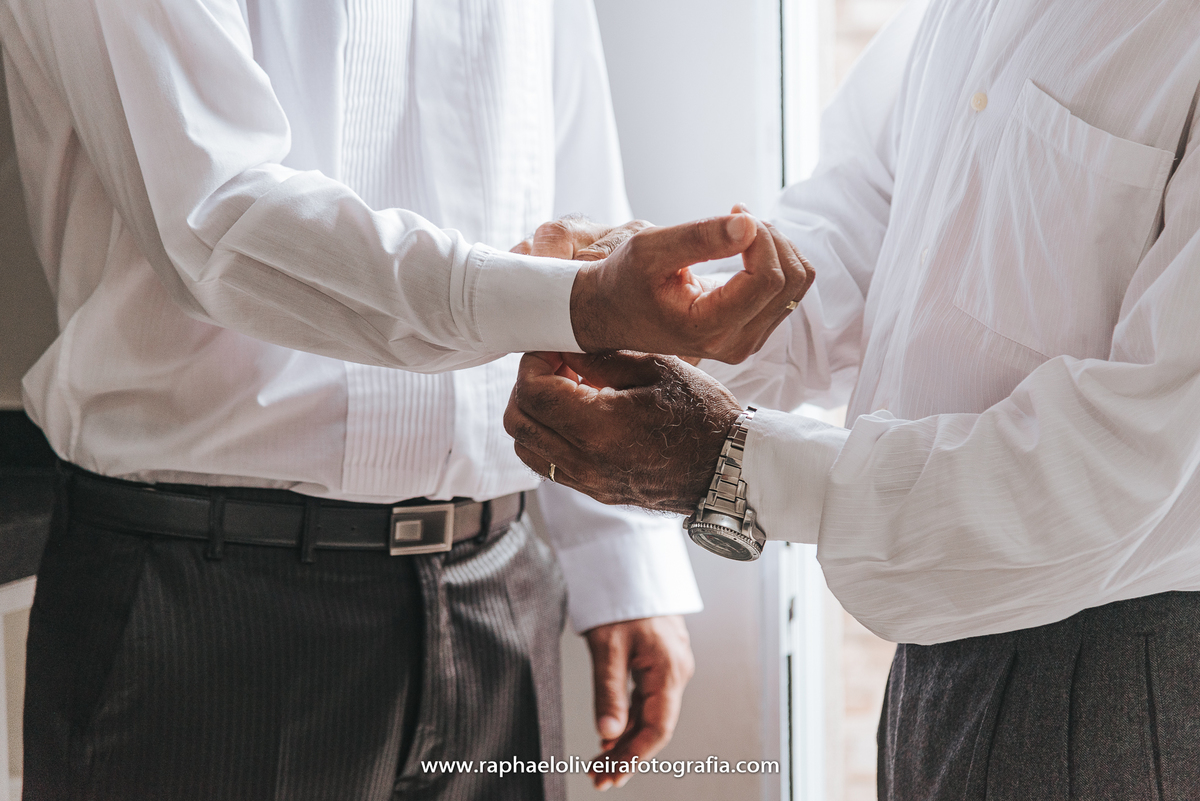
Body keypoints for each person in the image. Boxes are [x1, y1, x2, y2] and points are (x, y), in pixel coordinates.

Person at [0, 0, 811, 798]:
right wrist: (576, 303)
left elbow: (575, 189)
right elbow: (217, 221)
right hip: (201, 603)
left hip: (499, 583)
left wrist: (619, 558)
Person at [506, 0, 1200, 796]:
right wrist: (658, 306)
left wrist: (731, 463)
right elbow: (860, 230)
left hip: (1131, 682)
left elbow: (1135, 459)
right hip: (937, 671)